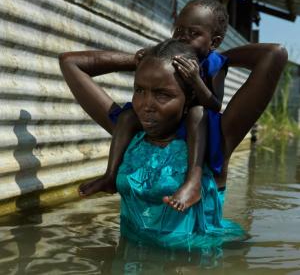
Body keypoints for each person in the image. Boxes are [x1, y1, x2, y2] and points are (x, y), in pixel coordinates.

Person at [59, 38, 287, 249]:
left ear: (188, 99)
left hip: (195, 265)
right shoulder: (127, 134)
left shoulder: (215, 141)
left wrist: (207, 58)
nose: (146, 105)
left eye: (162, 94)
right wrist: (141, 60)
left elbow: (273, 55)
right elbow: (70, 63)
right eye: (139, 90)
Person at [78, 0, 230, 212]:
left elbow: (214, 105)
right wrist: (143, 58)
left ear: (213, 43)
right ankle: (110, 175)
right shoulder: (169, 54)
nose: (183, 39)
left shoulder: (215, 65)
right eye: (179, 31)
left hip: (195, 124)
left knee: (198, 113)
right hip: (163, 119)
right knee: (127, 115)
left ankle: (193, 182)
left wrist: (196, 81)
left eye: (193, 34)